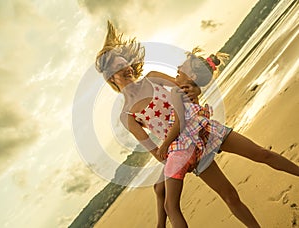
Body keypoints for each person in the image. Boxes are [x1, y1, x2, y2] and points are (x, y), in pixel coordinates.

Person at [95, 22, 299, 228]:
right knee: (229, 195)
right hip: (187, 149)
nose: (127, 69)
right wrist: (168, 167)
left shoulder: (152, 77)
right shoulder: (127, 115)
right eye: (119, 67)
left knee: (262, 154)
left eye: (126, 64)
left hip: (204, 127)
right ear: (110, 76)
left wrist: (196, 93)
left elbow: (187, 90)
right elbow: (157, 153)